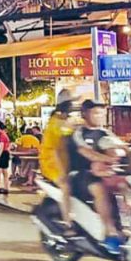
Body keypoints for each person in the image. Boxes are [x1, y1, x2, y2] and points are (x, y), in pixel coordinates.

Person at [69, 99, 124, 254]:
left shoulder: (106, 133)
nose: (100, 116)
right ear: (85, 114)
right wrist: (107, 159)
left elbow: (121, 146)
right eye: (96, 112)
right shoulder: (78, 133)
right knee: (100, 189)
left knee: (127, 185)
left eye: (102, 113)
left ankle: (127, 228)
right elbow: (85, 152)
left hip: (103, 173)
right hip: (80, 174)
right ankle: (110, 233)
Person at [40, 89, 77, 232]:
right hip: (52, 164)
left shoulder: (62, 120)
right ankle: (68, 223)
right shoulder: (56, 123)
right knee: (66, 187)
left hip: (64, 162)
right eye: (71, 104)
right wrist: (62, 173)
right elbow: (55, 150)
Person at [0, 121, 11, 194]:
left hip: (3, 153)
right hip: (6, 153)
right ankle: (6, 188)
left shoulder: (1, 135)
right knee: (4, 172)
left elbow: (1, 146)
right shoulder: (4, 134)